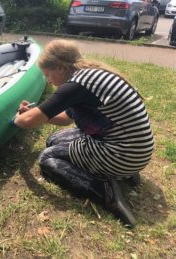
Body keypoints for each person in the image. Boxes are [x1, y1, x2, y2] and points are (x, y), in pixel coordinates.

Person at [11, 40, 154, 227]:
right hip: (137, 150)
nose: (49, 81)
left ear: (60, 68)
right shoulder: (89, 75)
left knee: (48, 158)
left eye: (48, 74)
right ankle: (125, 173)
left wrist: (16, 118)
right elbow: (66, 119)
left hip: (122, 154)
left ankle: (103, 189)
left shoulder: (74, 86)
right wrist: (37, 111)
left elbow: (26, 122)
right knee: (54, 140)